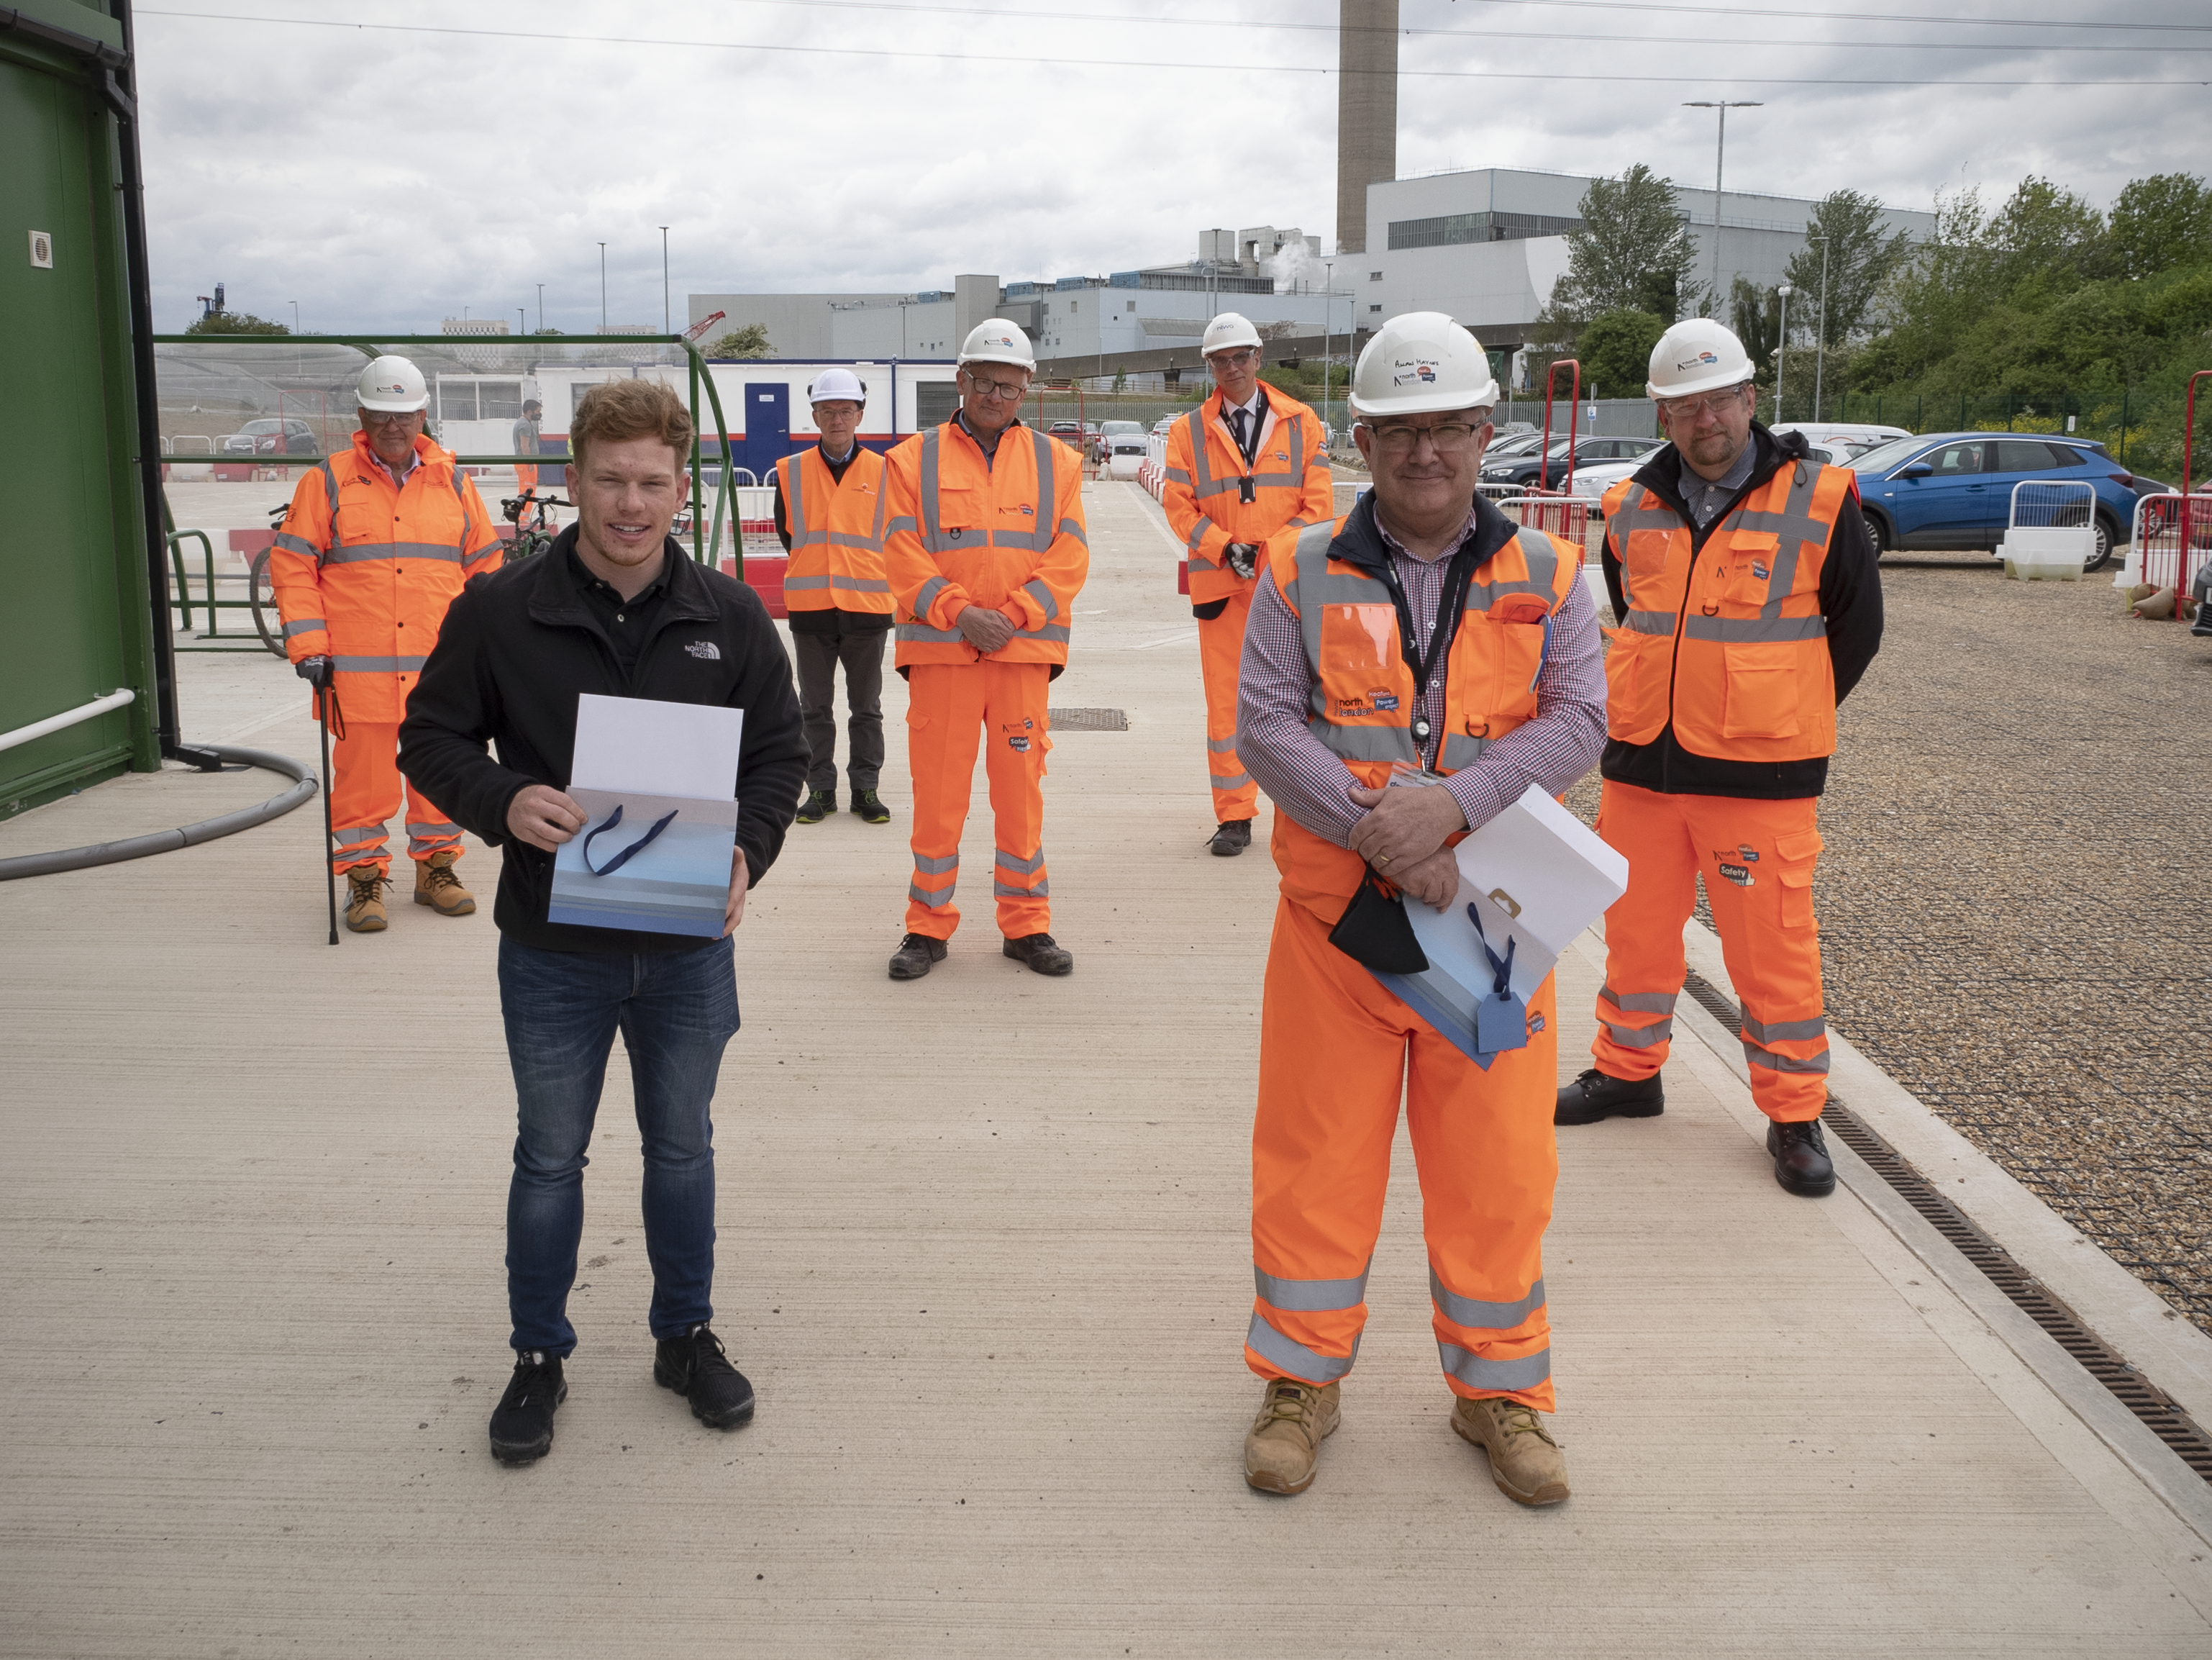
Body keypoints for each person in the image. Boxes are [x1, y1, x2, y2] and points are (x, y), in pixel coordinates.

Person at [396, 377, 809, 1464]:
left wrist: (746, 849)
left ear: (683, 489)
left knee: (682, 1149)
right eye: (610, 480)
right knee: (549, 1157)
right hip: (551, 949)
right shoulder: (499, 611)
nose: (631, 503)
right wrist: (498, 801)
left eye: (652, 483)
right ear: (572, 479)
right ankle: (539, 1354)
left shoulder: (728, 617)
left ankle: (683, 1336)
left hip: (683, 949)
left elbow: (780, 756)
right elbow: (427, 736)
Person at [1234, 312, 1605, 1505]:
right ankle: (1302, 1381)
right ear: (1364, 440)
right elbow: (1267, 723)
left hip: (1489, 929)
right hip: (1336, 935)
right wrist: (1374, 829)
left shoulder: (1550, 573)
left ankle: (1502, 1393)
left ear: (1484, 433)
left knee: (1497, 1169)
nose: (1427, 450)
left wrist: (1449, 808)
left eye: (1448, 426)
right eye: (1402, 429)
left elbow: (1579, 720)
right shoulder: (1298, 567)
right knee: (1314, 1162)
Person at [1555, 319, 1883, 1199]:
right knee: (1634, 935)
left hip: (1759, 779)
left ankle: (1793, 1114)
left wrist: (1779, 711)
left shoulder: (1820, 497)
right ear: (1663, 415)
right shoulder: (1630, 506)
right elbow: (1637, 618)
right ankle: (1628, 1073)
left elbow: (1856, 629)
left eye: (1721, 401)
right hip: (1643, 771)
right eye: (1686, 406)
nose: (1708, 421)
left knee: (1772, 951)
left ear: (1750, 399)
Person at [879, 319, 1090, 981]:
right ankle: (926, 926)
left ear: (1026, 389)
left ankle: (1026, 925)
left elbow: (1070, 554)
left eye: (1011, 386)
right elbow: (898, 550)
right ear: (961, 381)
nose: (997, 395)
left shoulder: (1059, 464)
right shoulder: (911, 460)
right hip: (944, 654)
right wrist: (960, 613)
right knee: (938, 796)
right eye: (986, 382)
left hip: (1020, 657)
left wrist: (1016, 614)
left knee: (1020, 795)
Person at [269, 355, 502, 932]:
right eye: (380, 416)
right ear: (362, 417)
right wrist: (309, 649)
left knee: (443, 777)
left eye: (404, 416)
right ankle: (364, 881)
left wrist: (492, 647)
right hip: (357, 675)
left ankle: (437, 871)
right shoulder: (326, 481)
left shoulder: (452, 482)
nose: (393, 427)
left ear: (423, 415)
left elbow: (486, 568)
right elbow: (294, 568)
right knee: (362, 786)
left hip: (439, 674)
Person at [1160, 312, 1334, 856]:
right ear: (1208, 366)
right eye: (1220, 360)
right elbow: (1178, 505)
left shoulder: (1301, 420)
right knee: (1227, 707)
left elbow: (1320, 505)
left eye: (1240, 357)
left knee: (1303, 700)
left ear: (1258, 358)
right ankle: (1234, 816)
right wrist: (1224, 546)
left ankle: (1302, 803)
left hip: (1288, 587)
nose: (1231, 368)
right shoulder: (1186, 431)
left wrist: (1272, 551)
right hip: (1222, 589)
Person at [771, 366, 893, 827]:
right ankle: (820, 791)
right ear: (815, 416)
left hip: (867, 609)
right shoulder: (791, 471)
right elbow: (790, 534)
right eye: (828, 411)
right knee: (814, 709)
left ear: (860, 415)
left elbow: (896, 536)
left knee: (867, 709)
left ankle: (866, 790)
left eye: (845, 410)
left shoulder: (885, 471)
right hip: (812, 609)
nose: (837, 419)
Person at [512, 397, 543, 494]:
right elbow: (524, 446)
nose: (539, 414)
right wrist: (530, 463)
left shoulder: (522, 423)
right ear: (530, 412)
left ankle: (525, 509)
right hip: (526, 463)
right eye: (537, 411)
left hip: (524, 462)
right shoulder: (525, 425)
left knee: (527, 488)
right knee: (528, 490)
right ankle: (525, 509)